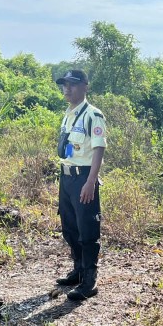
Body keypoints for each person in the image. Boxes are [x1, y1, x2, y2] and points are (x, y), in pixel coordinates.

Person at [54, 69, 107, 301]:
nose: (67, 89)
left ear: (85, 86)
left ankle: (89, 280)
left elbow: (99, 149)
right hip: (66, 177)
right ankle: (77, 270)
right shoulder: (68, 114)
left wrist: (91, 181)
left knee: (87, 230)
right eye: (65, 84)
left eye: (73, 85)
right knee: (69, 226)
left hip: (84, 177)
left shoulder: (92, 115)